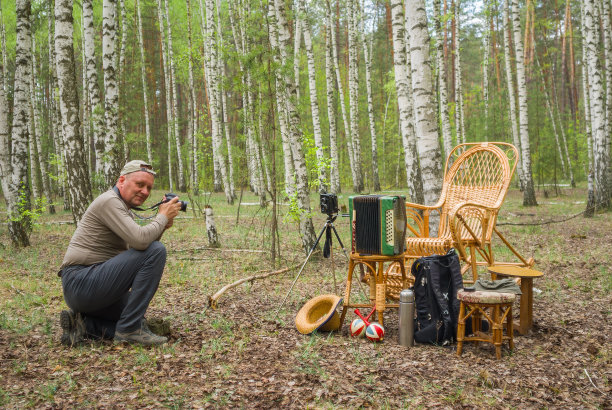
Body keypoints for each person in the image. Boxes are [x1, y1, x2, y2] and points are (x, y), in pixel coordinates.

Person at [58, 160, 182, 346]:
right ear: (122, 181)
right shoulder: (109, 201)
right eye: (140, 184)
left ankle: (84, 326)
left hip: (92, 287)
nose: (145, 192)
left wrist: (161, 227)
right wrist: (162, 217)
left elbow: (138, 252)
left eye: (149, 187)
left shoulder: (123, 208)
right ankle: (129, 331)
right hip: (81, 281)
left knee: (134, 315)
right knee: (157, 251)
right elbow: (143, 243)